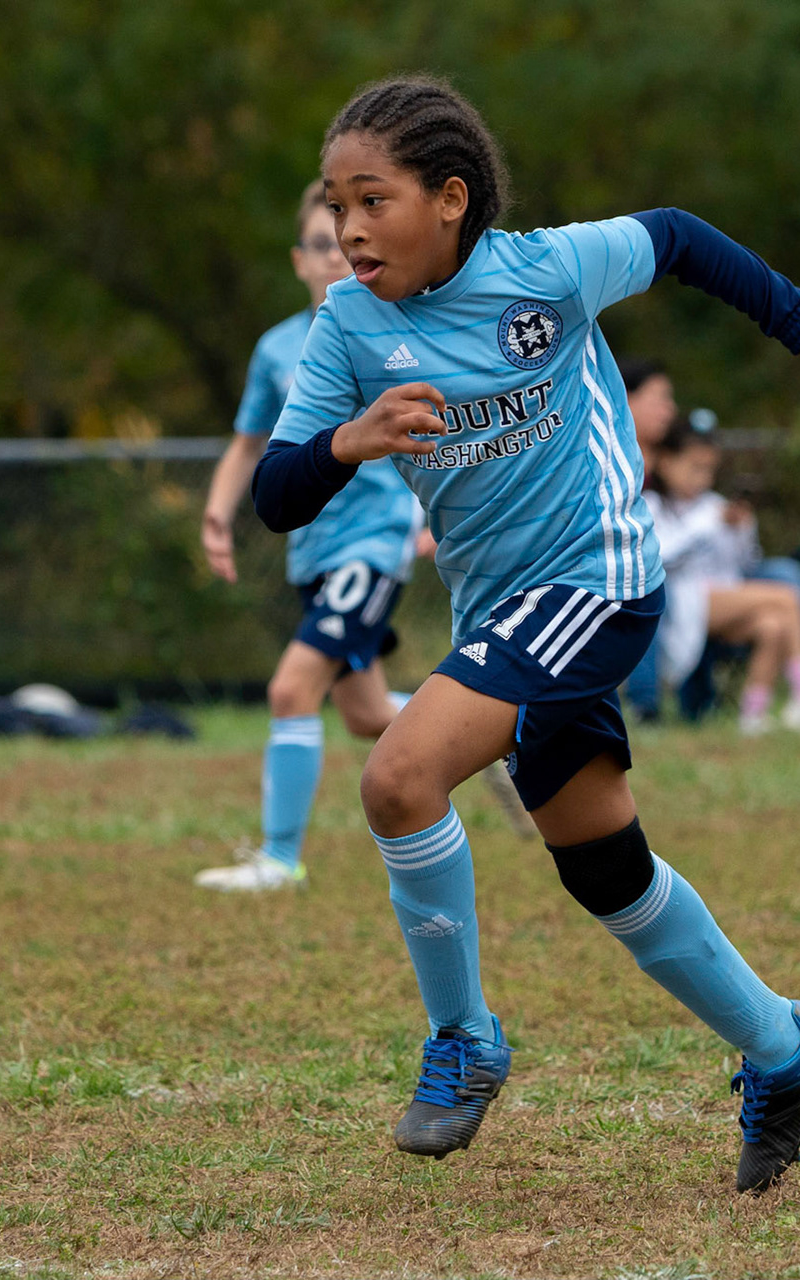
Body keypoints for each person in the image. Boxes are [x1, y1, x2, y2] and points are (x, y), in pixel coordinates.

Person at [253, 76, 800, 1193]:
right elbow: (275, 494)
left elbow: (679, 236)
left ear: (451, 199)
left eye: (373, 200)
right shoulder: (347, 325)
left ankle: (465, 1040)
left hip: (597, 583)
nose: (349, 229)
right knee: (603, 866)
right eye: (337, 206)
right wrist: (349, 439)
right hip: (502, 614)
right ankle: (786, 1042)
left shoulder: (547, 270)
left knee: (398, 778)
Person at [196, 180, 529, 894]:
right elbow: (251, 443)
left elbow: (450, 420)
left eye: (341, 242)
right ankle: (501, 734)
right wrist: (219, 512)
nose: (334, 255)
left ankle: (279, 860)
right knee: (366, 715)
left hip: (370, 548)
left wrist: (426, 519)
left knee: (292, 689)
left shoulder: (391, 330)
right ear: (298, 260)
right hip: (311, 552)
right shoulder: (277, 349)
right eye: (319, 243)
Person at [647, 418, 800, 734]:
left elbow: (745, 563)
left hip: (726, 594)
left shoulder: (714, 505)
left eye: (709, 470)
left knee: (772, 625)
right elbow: (660, 558)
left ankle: (753, 716)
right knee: (786, 596)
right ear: (666, 462)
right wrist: (709, 526)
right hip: (681, 600)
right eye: (694, 467)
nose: (702, 478)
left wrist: (741, 530)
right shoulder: (652, 506)